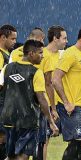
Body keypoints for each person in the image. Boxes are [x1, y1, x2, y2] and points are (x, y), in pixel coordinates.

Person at [0, 39, 59, 160]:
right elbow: (42, 100)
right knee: (23, 156)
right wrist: (51, 123)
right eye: (40, 53)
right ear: (31, 53)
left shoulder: (7, 68)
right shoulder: (36, 73)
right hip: (27, 121)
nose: (42, 56)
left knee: (11, 156)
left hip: (8, 119)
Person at [52, 25, 81, 160]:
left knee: (78, 145)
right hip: (72, 107)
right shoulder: (70, 53)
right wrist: (66, 102)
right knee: (76, 143)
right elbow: (55, 79)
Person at [37, 25, 68, 160]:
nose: (67, 41)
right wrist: (52, 108)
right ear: (55, 39)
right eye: (64, 38)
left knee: (76, 136)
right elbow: (46, 83)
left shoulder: (63, 55)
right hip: (47, 105)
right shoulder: (41, 55)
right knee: (43, 140)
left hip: (61, 104)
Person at [0, 24, 17, 159]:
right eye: (12, 39)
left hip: (6, 102)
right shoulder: (0, 55)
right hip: (1, 102)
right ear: (3, 37)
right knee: (3, 135)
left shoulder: (9, 55)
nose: (15, 42)